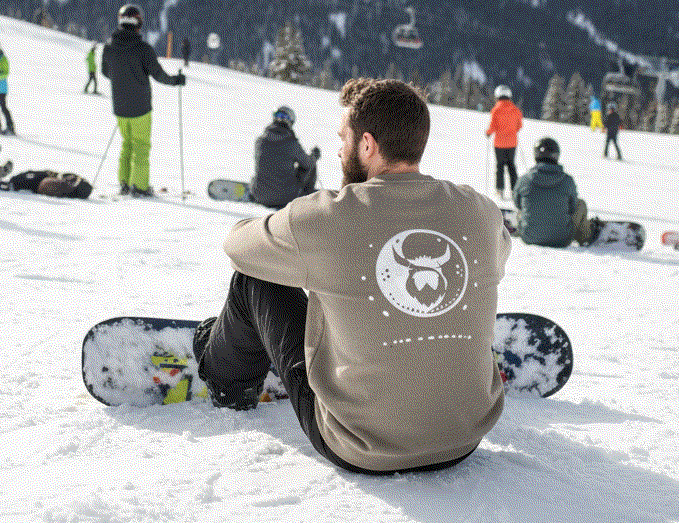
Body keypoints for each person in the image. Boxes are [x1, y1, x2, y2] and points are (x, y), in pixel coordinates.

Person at [193, 78, 509, 474]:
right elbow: (500, 252)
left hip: (361, 447)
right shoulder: (479, 211)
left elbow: (237, 247)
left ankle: (227, 381)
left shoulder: (327, 216)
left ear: (367, 144)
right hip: (463, 440)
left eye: (344, 137)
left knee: (255, 279)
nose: (339, 148)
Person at [101, 4, 185, 196]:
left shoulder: (109, 47)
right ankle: (139, 186)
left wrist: (123, 76)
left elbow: (106, 73)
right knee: (141, 146)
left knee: (127, 144)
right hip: (140, 106)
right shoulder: (143, 49)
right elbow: (158, 75)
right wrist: (176, 81)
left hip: (119, 105)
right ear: (138, 23)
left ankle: (124, 183)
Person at [513, 137, 593, 248]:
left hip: (529, 237)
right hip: (562, 240)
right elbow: (573, 207)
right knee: (581, 204)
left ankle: (526, 228)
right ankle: (585, 236)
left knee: (522, 208)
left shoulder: (525, 180)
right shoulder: (567, 180)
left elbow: (517, 203)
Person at [249, 106, 319, 209]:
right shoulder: (291, 143)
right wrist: (314, 155)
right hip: (284, 199)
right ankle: (307, 195)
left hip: (259, 195)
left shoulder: (260, 141)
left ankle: (264, 189)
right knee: (309, 166)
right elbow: (308, 163)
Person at [485, 84, 523, 199]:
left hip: (499, 143)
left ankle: (500, 190)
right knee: (512, 166)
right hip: (512, 143)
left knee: (500, 166)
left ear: (498, 95)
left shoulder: (496, 110)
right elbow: (519, 126)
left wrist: (488, 133)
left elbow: (493, 126)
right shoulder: (516, 110)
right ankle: (515, 190)